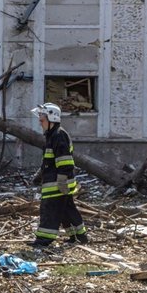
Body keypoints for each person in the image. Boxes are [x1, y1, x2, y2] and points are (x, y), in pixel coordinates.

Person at [30, 103, 88, 247]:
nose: (39, 121)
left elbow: (65, 160)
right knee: (66, 210)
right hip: (57, 180)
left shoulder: (58, 135)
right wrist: (39, 176)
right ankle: (79, 236)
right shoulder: (52, 135)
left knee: (49, 209)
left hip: (58, 182)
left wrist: (62, 179)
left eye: (42, 118)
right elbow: (48, 161)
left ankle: (43, 240)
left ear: (51, 118)